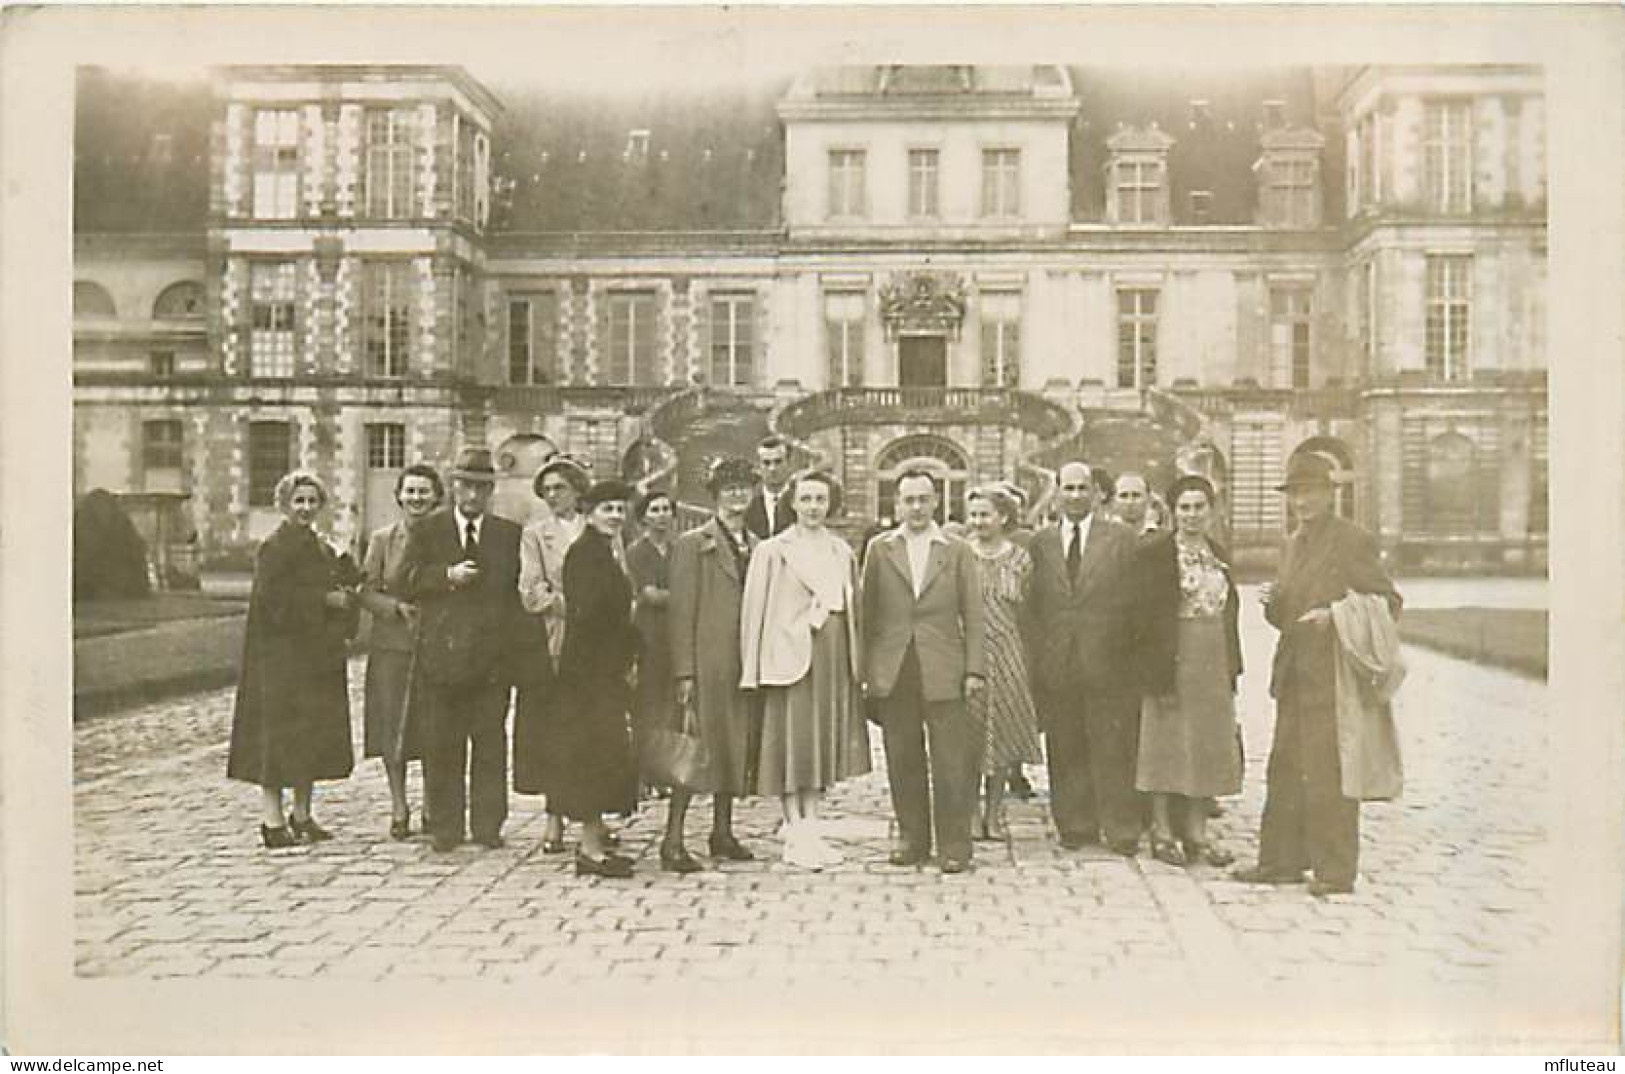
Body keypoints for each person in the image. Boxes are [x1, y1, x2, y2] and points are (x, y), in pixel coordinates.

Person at [1234, 454, 1401, 897]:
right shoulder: (1292, 544)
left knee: (1328, 773)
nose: (1302, 501)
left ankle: (1336, 871)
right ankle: (1280, 863)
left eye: (1311, 492)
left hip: (1332, 677)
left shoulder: (1353, 541)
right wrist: (1274, 603)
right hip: (1293, 674)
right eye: (1295, 494)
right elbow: (1288, 617)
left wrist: (1335, 615)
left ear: (1331, 494)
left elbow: (1388, 602)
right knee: (1284, 769)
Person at [740, 469, 870, 869]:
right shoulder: (773, 550)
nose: (814, 507)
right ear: (792, 503)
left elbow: (853, 606)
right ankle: (794, 829)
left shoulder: (840, 551)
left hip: (831, 656)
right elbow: (755, 610)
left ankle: (811, 825)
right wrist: (752, 666)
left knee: (820, 741)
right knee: (792, 741)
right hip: (789, 655)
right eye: (806, 499)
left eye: (820, 499)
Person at [861, 471, 987, 874]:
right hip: (895, 667)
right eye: (908, 499)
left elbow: (974, 613)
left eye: (923, 499)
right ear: (896, 504)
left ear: (936, 503)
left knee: (951, 760)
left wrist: (974, 669)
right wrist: (866, 670)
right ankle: (912, 839)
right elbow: (868, 613)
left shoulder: (957, 550)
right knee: (902, 757)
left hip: (943, 667)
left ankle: (954, 844)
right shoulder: (880, 549)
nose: (916, 507)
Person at [228, 470, 359, 848]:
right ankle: (271, 821)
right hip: (281, 661)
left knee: (311, 735)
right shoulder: (275, 547)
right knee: (278, 737)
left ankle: (302, 815)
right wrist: (323, 600)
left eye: (311, 501)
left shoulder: (321, 545)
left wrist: (346, 582)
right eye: (298, 501)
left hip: (316, 658)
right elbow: (274, 603)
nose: (305, 508)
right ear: (284, 505)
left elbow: (345, 581)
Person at [403, 447, 523, 853]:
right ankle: (446, 827)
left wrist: (511, 654)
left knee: (489, 743)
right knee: (442, 744)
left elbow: (514, 597)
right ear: (453, 487)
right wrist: (447, 576)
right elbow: (407, 580)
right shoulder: (428, 530)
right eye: (467, 486)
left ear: (491, 491)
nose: (473, 496)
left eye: (482, 488)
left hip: (491, 660)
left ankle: (488, 825)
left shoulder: (507, 534)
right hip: (442, 657)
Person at [1024, 460, 1143, 855]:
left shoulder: (1121, 538)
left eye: (1082, 488)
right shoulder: (1040, 543)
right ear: (1056, 492)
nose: (1075, 496)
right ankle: (1075, 824)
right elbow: (1035, 604)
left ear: (1095, 492)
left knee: (1113, 744)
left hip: (1108, 658)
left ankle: (1121, 827)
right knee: (1066, 743)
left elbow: (1133, 600)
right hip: (1059, 659)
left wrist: (1126, 654)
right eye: (1068, 488)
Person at [1131, 475, 1243, 867]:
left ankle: (1197, 831)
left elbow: (1229, 615)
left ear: (1211, 511)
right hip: (1172, 659)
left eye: (1199, 507)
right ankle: (1162, 831)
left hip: (1212, 661)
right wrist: (1154, 673)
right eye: (1184, 507)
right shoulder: (1155, 554)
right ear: (1172, 512)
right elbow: (1142, 621)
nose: (1192, 515)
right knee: (1165, 745)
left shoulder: (1219, 554)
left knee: (1206, 745)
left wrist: (1232, 668)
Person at [663, 457, 762, 871]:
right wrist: (685, 670)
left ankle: (722, 830)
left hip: (744, 662)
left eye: (744, 487)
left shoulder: (757, 545)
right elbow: (681, 610)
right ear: (716, 495)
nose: (737, 495)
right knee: (695, 749)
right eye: (729, 488)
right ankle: (672, 839)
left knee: (733, 745)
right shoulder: (693, 544)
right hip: (707, 662)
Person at [553, 479, 642, 878]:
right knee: (592, 755)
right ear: (589, 513)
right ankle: (589, 850)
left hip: (600, 671)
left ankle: (593, 840)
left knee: (602, 753)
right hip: (589, 674)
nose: (616, 517)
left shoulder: (602, 551)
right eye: (607, 509)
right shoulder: (585, 555)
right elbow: (591, 619)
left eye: (621, 510)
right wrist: (627, 649)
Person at [357, 463, 443, 840]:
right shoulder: (382, 539)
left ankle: (431, 805)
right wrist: (394, 608)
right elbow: (365, 589)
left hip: (434, 645)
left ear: (437, 497)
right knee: (393, 726)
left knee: (432, 727)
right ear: (399, 496)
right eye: (410, 491)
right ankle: (398, 806)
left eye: (424, 491)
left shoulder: (445, 537)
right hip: (392, 646)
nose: (417, 498)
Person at [514, 454, 592, 854]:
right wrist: (571, 606)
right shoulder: (535, 534)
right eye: (546, 490)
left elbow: (620, 579)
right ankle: (554, 819)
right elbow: (530, 590)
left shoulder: (598, 529)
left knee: (590, 731)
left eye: (559, 487)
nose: (552, 495)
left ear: (577, 489)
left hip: (595, 640)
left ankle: (591, 816)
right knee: (554, 730)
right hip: (555, 640)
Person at [962, 484, 1044, 841]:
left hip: (1010, 651)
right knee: (968, 736)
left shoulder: (1021, 559)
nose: (979, 521)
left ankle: (994, 815)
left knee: (1004, 736)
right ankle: (968, 814)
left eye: (986, 514)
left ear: (1004, 517)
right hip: (970, 652)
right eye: (974, 514)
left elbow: (1030, 610)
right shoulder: (961, 555)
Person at [626, 489, 677, 796]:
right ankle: (644, 773)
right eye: (654, 510)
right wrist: (683, 596)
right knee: (646, 707)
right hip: (646, 637)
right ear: (644, 516)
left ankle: (666, 772)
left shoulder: (679, 549)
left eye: (666, 509)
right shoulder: (637, 552)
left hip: (674, 637)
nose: (661, 515)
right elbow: (649, 594)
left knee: (671, 707)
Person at [743, 435, 795, 540]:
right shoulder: (747, 505)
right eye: (766, 463)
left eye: (778, 462)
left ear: (789, 463)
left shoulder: (804, 498)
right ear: (758, 466)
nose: (772, 469)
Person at [1113, 471, 1162, 538]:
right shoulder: (1101, 538)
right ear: (1114, 500)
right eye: (1123, 495)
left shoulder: (1163, 537)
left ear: (1148, 499)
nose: (1130, 502)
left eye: (1136, 495)